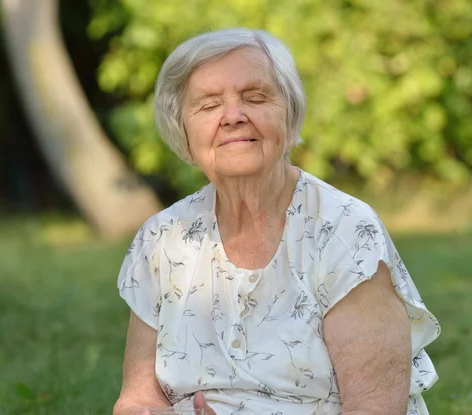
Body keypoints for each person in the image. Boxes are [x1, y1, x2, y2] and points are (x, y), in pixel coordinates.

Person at [113, 27, 440, 415]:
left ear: (290, 114)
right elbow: (137, 400)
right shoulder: (163, 240)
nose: (233, 117)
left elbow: (375, 408)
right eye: (208, 105)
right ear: (182, 127)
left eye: (255, 97)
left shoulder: (344, 231)